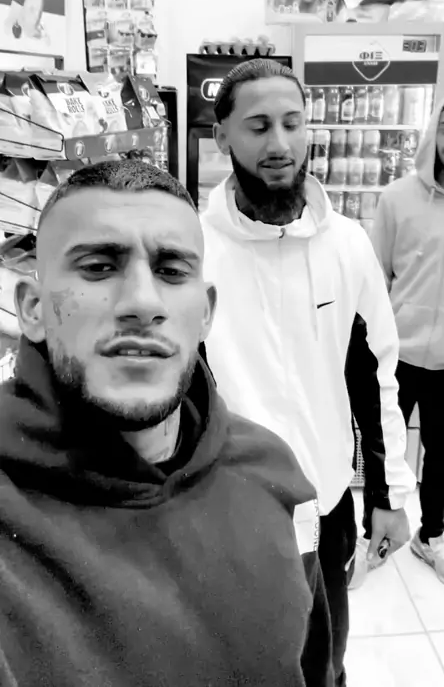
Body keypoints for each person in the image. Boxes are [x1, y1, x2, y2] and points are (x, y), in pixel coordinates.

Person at [0, 159, 335, 687]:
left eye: (172, 271)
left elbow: (315, 664)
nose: (142, 302)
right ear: (33, 309)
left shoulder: (276, 476)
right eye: (98, 267)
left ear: (204, 314)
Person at [200, 58, 416, 687]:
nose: (280, 144)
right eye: (258, 126)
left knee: (324, 662)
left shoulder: (346, 245)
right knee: (243, 664)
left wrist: (388, 496)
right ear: (222, 136)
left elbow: (375, 377)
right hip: (230, 513)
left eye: (292, 123)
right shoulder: (194, 251)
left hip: (326, 505)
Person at [358, 90, 444, 593]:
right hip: (395, 357)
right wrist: (364, 353)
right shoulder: (396, 199)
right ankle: (372, 538)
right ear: (433, 134)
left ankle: (431, 537)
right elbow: (375, 280)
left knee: (441, 458)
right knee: (380, 453)